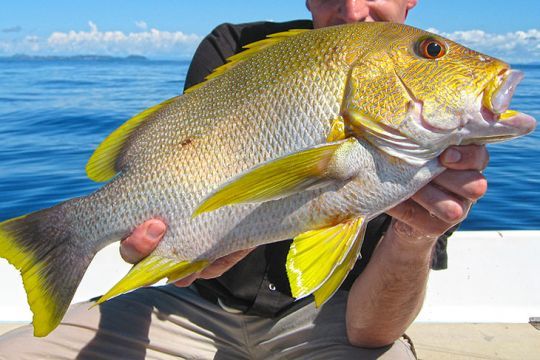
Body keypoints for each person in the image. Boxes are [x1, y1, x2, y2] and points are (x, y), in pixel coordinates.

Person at [0, 1, 489, 358]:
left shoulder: (432, 143)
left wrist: (416, 233)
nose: (353, 10)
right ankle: (56, 240)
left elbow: (369, 335)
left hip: (335, 319)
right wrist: (177, 252)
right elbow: (189, 167)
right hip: (191, 305)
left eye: (430, 51)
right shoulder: (235, 47)